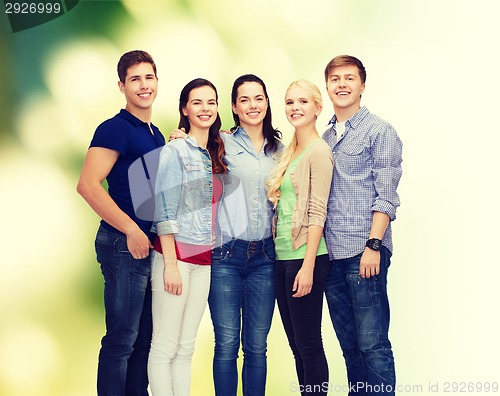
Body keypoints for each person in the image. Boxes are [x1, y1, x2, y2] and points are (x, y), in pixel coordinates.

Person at [76, 50, 165, 395]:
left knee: (143, 341)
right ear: (121, 86)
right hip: (122, 244)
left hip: (146, 245)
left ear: (157, 81)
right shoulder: (114, 128)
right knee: (121, 341)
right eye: (135, 79)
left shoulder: (155, 133)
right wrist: (131, 229)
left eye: (149, 77)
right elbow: (87, 185)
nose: (143, 85)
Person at [322, 55, 403, 396]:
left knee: (373, 346)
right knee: (351, 347)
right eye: (335, 79)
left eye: (349, 78)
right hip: (331, 255)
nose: (342, 84)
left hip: (363, 251)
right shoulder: (324, 137)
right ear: (327, 86)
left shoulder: (380, 131)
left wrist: (373, 246)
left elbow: (386, 195)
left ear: (362, 86)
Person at [147, 78, 227, 396]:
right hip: (175, 258)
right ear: (185, 109)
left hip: (203, 260)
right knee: (164, 345)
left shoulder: (214, 153)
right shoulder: (175, 150)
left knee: (186, 347)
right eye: (197, 102)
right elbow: (163, 210)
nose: (205, 108)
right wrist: (169, 264)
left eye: (211, 102)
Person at [266, 80, 333, 395]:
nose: (295, 108)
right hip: (282, 258)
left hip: (306, 258)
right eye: (290, 102)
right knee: (296, 344)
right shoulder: (290, 150)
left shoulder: (318, 151)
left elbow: (318, 211)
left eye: (303, 102)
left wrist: (307, 266)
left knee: (308, 343)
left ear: (317, 108)